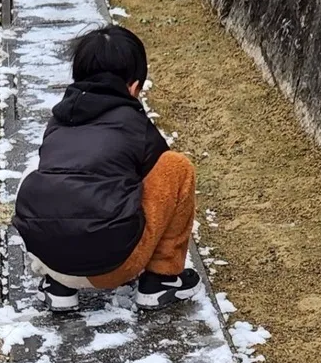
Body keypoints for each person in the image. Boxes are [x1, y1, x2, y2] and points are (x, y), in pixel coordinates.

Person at [14, 25, 200, 313]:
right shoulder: (134, 124)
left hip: (49, 256)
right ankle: (161, 280)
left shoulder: (58, 120)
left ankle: (58, 285)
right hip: (113, 266)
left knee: (48, 177)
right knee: (175, 168)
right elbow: (153, 178)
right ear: (134, 86)